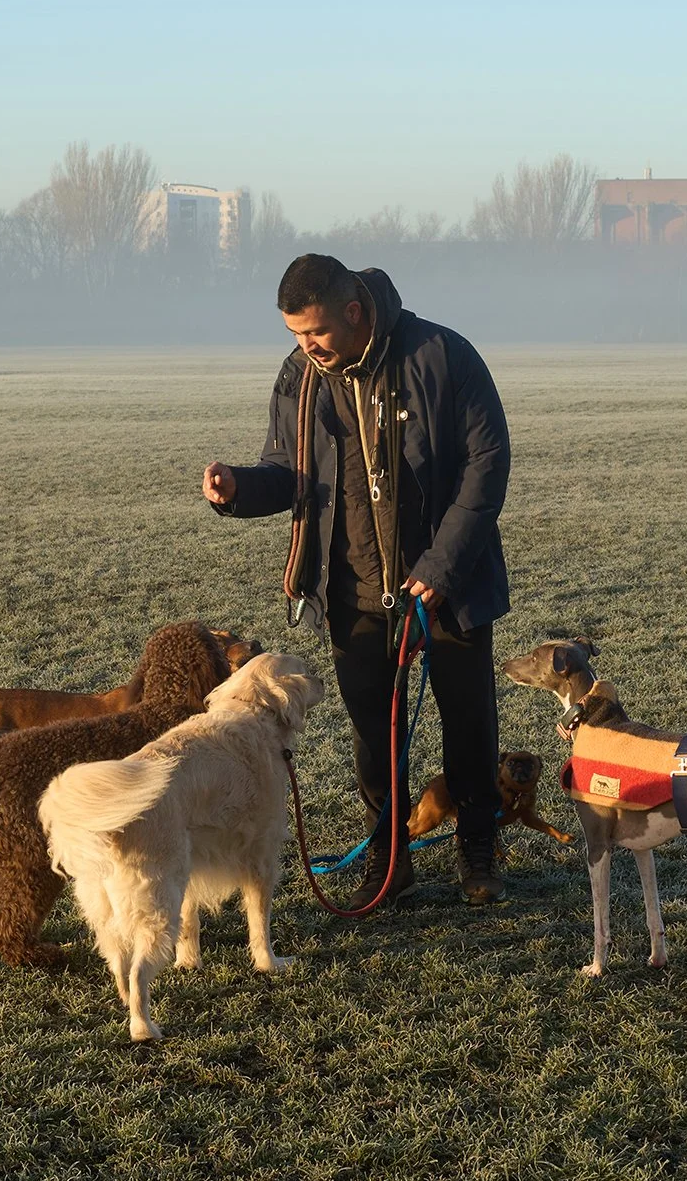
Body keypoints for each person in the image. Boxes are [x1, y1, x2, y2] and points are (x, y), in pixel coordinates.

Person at [202, 254, 511, 908]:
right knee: (374, 735)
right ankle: (388, 854)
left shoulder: (443, 354)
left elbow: (488, 465)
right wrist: (236, 488)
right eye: (293, 336)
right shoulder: (301, 375)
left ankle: (477, 847)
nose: (304, 347)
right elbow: (285, 468)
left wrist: (441, 565)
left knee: (469, 726)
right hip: (352, 589)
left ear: (353, 311)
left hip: (447, 583)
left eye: (313, 332)